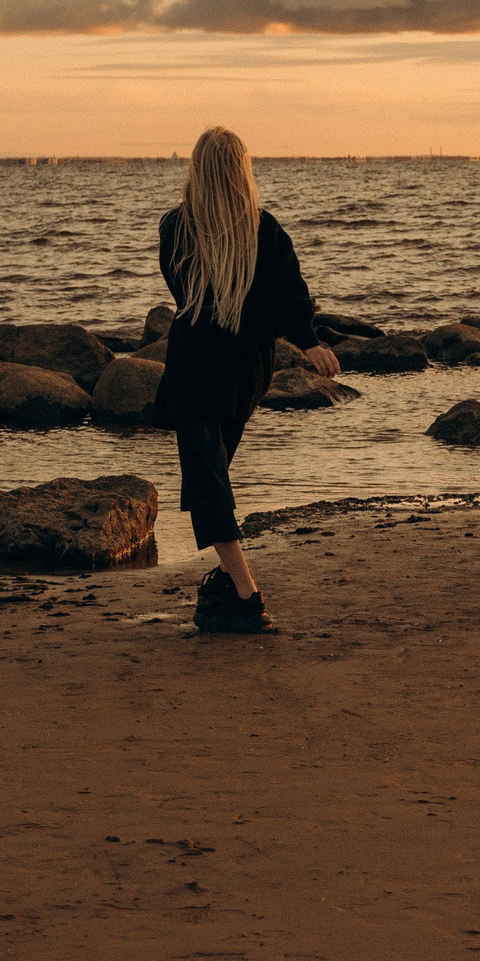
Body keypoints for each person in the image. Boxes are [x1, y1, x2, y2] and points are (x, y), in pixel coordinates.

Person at [156, 126, 340, 635]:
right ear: (242, 169)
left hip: (196, 366)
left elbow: (185, 291)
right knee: (208, 476)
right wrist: (310, 342)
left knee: (208, 478)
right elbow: (288, 299)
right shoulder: (264, 229)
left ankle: (245, 593)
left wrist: (308, 340)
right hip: (245, 371)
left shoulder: (177, 228)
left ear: (198, 169)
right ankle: (225, 585)